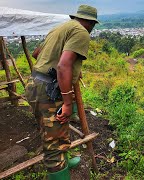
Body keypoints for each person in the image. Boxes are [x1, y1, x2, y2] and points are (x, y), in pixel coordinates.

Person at [25, 4, 99, 180]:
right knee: (53, 143)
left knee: (57, 128)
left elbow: (37, 54)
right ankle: (59, 171)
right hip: (49, 90)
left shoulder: (59, 28)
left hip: (35, 84)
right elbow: (63, 65)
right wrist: (67, 102)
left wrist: (69, 68)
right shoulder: (81, 32)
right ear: (91, 23)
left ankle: (64, 161)